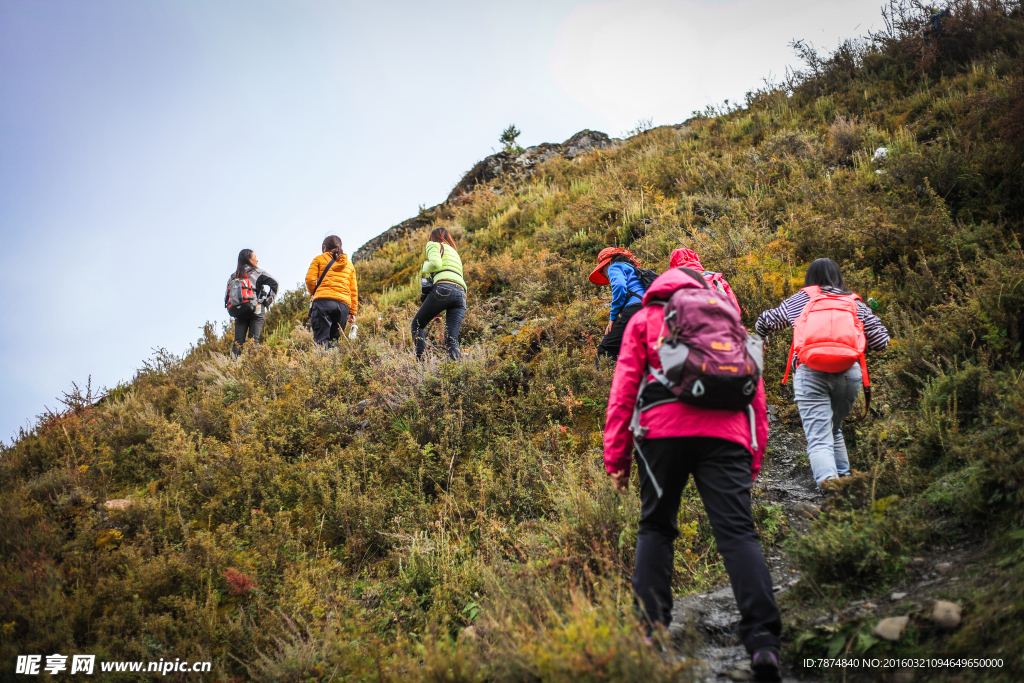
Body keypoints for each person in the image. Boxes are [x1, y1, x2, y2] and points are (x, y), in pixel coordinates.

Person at [604, 266, 782, 682]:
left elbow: (624, 389)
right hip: (729, 435)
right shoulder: (730, 320)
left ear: (662, 284)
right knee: (738, 533)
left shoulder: (645, 319)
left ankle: (650, 635)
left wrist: (618, 459)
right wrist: (754, 454)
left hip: (661, 433)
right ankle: (764, 643)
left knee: (656, 528)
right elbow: (756, 393)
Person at [755, 258, 890, 487]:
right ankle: (846, 482)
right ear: (838, 277)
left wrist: (762, 337)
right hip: (849, 374)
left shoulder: (802, 298)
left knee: (819, 439)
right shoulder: (854, 301)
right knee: (833, 429)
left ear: (810, 278)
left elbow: (766, 320)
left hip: (810, 373)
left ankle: (831, 489)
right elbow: (882, 341)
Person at [412, 227, 466, 361]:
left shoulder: (433, 245)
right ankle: (457, 373)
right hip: (461, 294)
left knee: (417, 325)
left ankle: (422, 365)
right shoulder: (455, 253)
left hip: (444, 288)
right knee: (452, 339)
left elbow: (436, 264)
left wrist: (425, 266)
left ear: (433, 237)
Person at [590, 247, 651, 362]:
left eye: (602, 268)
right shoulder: (632, 269)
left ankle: (606, 379)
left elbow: (620, 287)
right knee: (638, 351)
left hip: (634, 309)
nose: (602, 272)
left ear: (608, 263)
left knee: (606, 349)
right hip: (650, 311)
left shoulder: (614, 267)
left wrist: (613, 316)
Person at [224, 249, 278, 359]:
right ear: (249, 259)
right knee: (253, 341)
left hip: (240, 311)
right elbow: (275, 284)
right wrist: (267, 301)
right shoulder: (258, 273)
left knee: (238, 343)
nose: (257, 259)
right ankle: (252, 371)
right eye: (255, 257)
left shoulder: (233, 276)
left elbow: (227, 297)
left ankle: (233, 371)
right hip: (257, 308)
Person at [305, 236, 358, 347]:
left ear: (325, 248)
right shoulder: (349, 265)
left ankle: (323, 362)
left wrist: (314, 294)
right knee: (335, 341)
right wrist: (352, 311)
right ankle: (334, 363)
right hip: (343, 307)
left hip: (323, 304)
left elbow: (310, 280)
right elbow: (353, 290)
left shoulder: (319, 259)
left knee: (321, 341)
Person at [669, 248, 741, 311]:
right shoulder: (717, 279)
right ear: (696, 260)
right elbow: (736, 309)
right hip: (723, 324)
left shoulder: (675, 285)